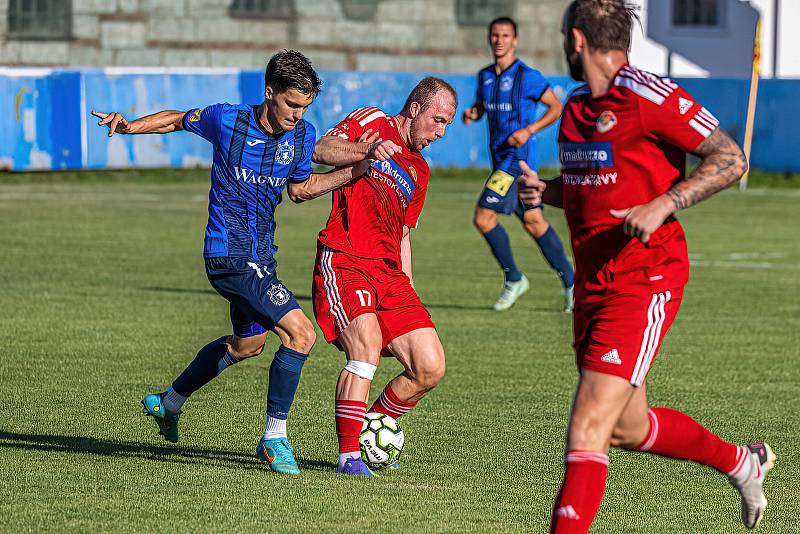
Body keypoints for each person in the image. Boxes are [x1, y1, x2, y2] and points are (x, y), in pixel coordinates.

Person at [518, 1, 775, 531]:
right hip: (593, 283)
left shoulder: (648, 94)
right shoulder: (574, 107)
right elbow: (593, 187)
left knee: (588, 423)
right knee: (626, 428)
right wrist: (548, 191)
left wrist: (665, 203)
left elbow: (731, 158)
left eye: (566, 33)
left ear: (578, 39)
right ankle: (740, 462)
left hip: (644, 280)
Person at [93, 50, 368, 475]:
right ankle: (274, 438)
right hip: (227, 254)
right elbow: (176, 119)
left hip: (261, 259)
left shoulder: (301, 137)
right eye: (291, 104)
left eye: (304, 107)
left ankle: (168, 403)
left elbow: (301, 189)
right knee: (300, 335)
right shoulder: (228, 120)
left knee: (247, 346)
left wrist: (355, 171)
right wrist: (130, 126)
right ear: (270, 92)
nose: (297, 115)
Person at [310, 77, 457, 475]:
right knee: (367, 347)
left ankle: (372, 426)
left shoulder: (420, 170)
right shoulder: (372, 121)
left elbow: (404, 233)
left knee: (430, 366)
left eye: (447, 125)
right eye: (437, 120)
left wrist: (409, 286)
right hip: (346, 258)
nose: (440, 132)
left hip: (391, 276)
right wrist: (367, 149)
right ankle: (349, 458)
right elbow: (319, 149)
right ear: (414, 108)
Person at [463, 16, 575, 312]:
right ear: (489, 38)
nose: (499, 40)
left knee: (483, 216)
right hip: (500, 160)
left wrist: (528, 130)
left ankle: (514, 278)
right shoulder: (485, 76)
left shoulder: (528, 76)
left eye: (505, 35)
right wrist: (473, 113)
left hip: (517, 162)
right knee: (535, 222)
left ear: (515, 40)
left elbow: (556, 106)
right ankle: (573, 283)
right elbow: (482, 107)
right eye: (495, 35)